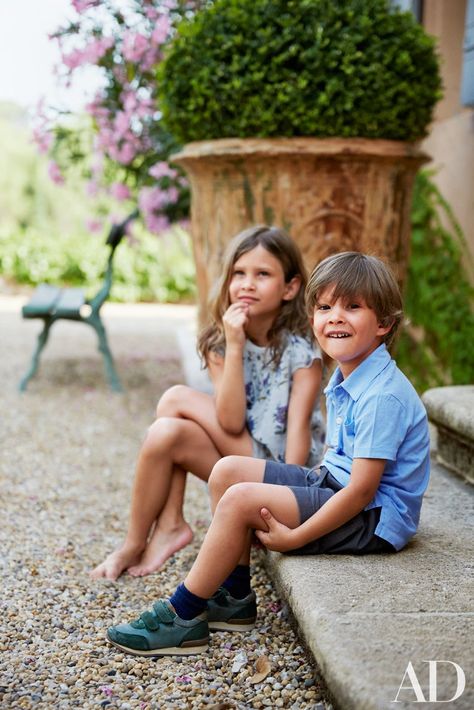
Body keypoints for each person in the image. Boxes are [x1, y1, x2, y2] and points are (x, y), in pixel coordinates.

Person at [105, 251, 431, 657]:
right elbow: (338, 469)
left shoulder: (383, 395)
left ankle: (182, 616)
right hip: (337, 484)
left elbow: (362, 492)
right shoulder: (351, 373)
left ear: (383, 324)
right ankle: (235, 596)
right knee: (227, 472)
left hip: (375, 519)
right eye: (325, 307)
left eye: (353, 307)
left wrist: (295, 537)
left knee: (241, 497)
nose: (335, 317)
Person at [91, 225, 325, 580]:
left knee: (174, 398)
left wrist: (284, 498)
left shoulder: (302, 354)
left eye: (262, 274)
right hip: (238, 455)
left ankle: (170, 523)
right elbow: (230, 419)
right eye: (239, 274)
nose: (247, 284)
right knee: (165, 432)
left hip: (276, 472)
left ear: (290, 288)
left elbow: (296, 431)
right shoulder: (220, 342)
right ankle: (134, 542)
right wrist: (233, 345)